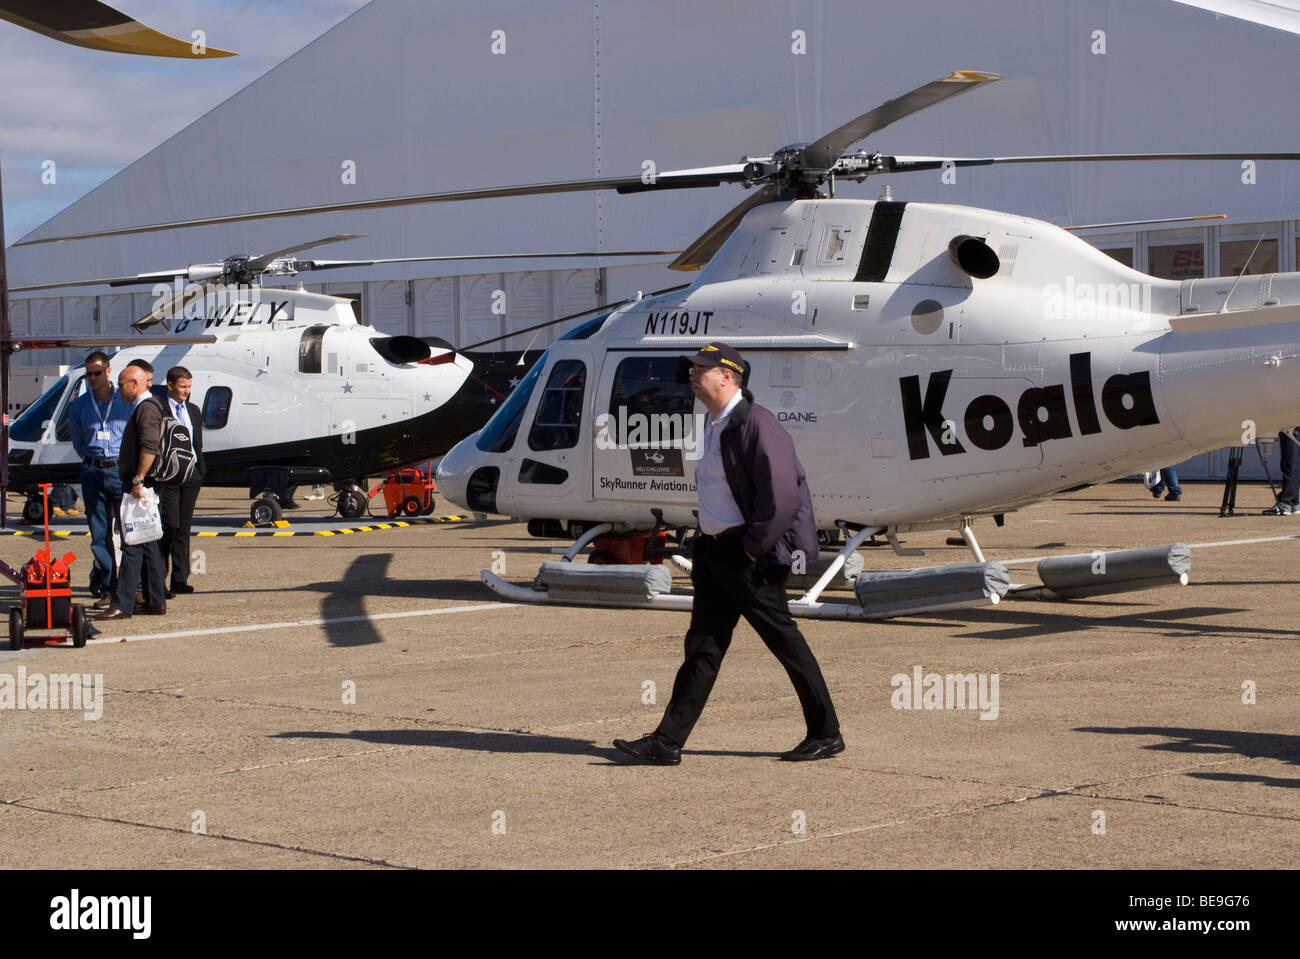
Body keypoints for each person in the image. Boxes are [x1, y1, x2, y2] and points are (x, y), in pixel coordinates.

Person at [613, 342, 843, 764]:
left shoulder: (757, 424)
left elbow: (782, 498)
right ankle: (667, 742)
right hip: (715, 552)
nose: (692, 374)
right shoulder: (715, 423)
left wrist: (753, 550)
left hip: (746, 555)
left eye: (700, 368)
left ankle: (826, 733)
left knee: (785, 644)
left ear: (727, 376)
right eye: (691, 368)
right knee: (703, 647)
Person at [94, 365, 167, 620]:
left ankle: (122, 604)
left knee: (133, 542)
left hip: (139, 484)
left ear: (135, 384)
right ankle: (156, 600)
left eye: (123, 384)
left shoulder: (145, 408)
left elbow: (149, 447)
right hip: (142, 483)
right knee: (148, 544)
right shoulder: (146, 406)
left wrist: (138, 479)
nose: (119, 388)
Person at [66, 351, 133, 608]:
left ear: (108, 372)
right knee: (99, 534)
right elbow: (78, 441)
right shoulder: (80, 406)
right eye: (88, 374)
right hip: (93, 470)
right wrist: (93, 459)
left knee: (129, 531)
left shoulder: (126, 401)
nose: (92, 378)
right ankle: (108, 587)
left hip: (120, 469)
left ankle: (132, 587)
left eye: (96, 373)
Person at [157, 366, 204, 596]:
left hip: (191, 474)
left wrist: (200, 468)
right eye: (183, 386)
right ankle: (160, 581)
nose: (186, 391)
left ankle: (180, 579)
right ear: (170, 385)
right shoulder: (160, 408)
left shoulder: (193, 410)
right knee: (169, 527)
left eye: (189, 387)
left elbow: (198, 442)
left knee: (184, 528)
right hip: (169, 475)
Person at [1263, 429, 1300, 515]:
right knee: (1294, 465)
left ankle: (1286, 503)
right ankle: (1293, 502)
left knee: (1289, 464)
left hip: (1290, 428)